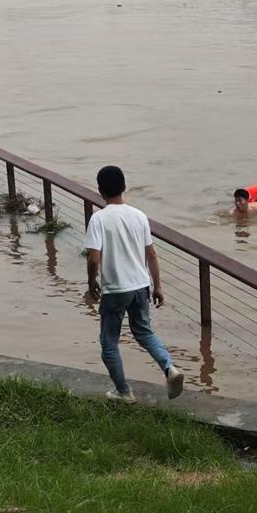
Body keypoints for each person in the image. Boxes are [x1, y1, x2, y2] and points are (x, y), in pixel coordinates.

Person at [85, 165, 184, 404]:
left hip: (116, 290)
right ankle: (169, 368)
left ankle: (123, 391)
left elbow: (93, 257)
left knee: (109, 342)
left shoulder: (98, 219)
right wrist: (157, 286)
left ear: (100, 190)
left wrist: (91, 282)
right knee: (144, 332)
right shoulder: (139, 215)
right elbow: (151, 254)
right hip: (141, 286)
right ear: (124, 187)